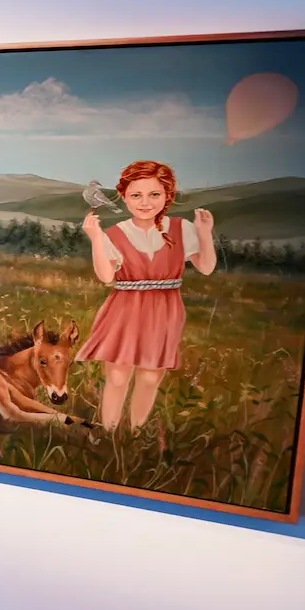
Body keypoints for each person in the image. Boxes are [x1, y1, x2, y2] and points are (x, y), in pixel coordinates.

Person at [77, 159, 217, 432]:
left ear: (167, 196)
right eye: (136, 195)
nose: (145, 202)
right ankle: (110, 433)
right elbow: (106, 276)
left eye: (154, 194)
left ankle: (135, 433)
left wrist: (204, 233)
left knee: (151, 377)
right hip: (125, 309)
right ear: (125, 198)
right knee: (117, 376)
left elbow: (207, 267)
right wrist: (95, 238)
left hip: (165, 310)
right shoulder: (116, 233)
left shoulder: (180, 228)